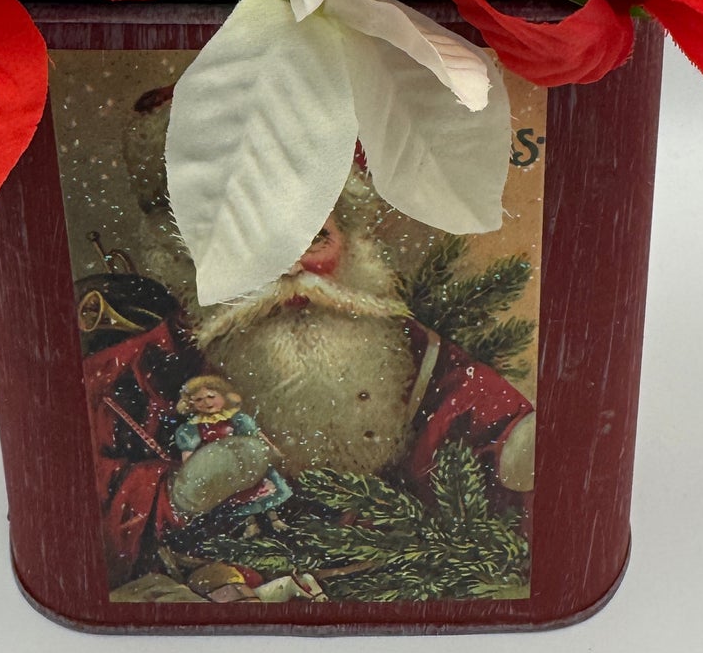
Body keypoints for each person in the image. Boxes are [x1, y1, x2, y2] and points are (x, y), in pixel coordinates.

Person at [83, 169, 535, 585]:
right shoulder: (144, 367)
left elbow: (464, 407)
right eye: (255, 245)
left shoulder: (395, 345)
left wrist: (513, 442)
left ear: (352, 242)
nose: (291, 267)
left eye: (316, 237)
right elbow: (92, 503)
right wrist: (178, 496)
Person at [169, 375, 292, 535]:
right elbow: (189, 455)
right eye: (199, 400)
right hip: (225, 470)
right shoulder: (192, 428)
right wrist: (193, 473)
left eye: (211, 396)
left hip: (248, 462)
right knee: (241, 497)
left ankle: (275, 520)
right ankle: (251, 525)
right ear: (191, 404)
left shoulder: (236, 418)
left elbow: (255, 435)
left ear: (223, 395)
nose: (207, 402)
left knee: (262, 490)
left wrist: (272, 449)